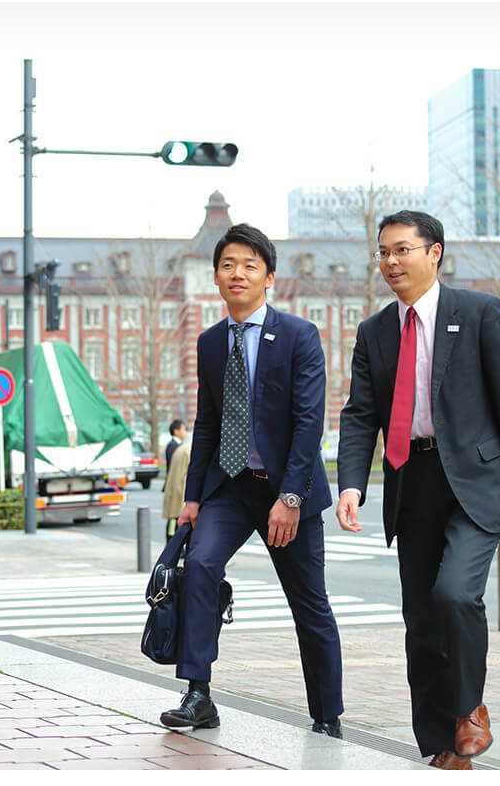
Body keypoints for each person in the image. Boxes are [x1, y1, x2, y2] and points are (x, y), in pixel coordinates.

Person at [335, 210, 500, 770]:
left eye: (402, 249)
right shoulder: (375, 331)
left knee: (455, 594)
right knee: (422, 620)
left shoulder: (477, 313)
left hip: (475, 482)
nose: (391, 262)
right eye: (383, 252)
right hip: (411, 480)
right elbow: (360, 416)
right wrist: (351, 485)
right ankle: (441, 744)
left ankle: (470, 707)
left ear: (435, 254)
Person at [159, 223, 344, 739]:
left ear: (269, 278)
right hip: (230, 487)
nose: (237, 273)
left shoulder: (298, 336)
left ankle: (327, 715)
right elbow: (208, 423)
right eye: (227, 265)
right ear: (216, 278)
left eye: (249, 265)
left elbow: (311, 422)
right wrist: (192, 496)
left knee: (309, 603)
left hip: (288, 490)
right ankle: (198, 693)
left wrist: (289, 495)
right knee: (199, 567)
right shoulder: (210, 342)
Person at [162, 432, 192, 542]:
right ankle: (172, 544)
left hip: (174, 488)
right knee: (176, 521)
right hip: (181, 490)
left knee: (173, 519)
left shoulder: (180, 448)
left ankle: (171, 544)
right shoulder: (187, 449)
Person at [164, 420, 187, 484]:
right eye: (184, 430)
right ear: (176, 431)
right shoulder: (172, 446)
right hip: (174, 480)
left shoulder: (178, 445)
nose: (185, 432)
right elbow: (173, 465)